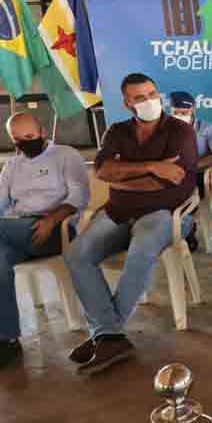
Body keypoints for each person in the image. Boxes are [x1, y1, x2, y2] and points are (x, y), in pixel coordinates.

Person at [64, 73, 198, 375]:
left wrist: (123, 178)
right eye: (140, 97)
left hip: (165, 213)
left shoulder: (180, 131)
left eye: (152, 93)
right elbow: (103, 170)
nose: (149, 100)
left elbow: (170, 182)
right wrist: (151, 167)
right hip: (117, 212)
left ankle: (106, 334)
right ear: (127, 103)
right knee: (76, 255)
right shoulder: (118, 131)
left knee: (141, 250)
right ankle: (108, 334)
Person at [0, 113, 89, 369]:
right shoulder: (12, 166)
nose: (23, 143)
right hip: (16, 230)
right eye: (17, 139)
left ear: (41, 130)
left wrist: (52, 220)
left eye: (29, 137)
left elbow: (79, 196)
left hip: (54, 230)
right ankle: (7, 339)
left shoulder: (65, 155)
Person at [170, 91, 212, 251]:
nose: (180, 116)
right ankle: (171, 231)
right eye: (176, 113)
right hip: (171, 174)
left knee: (183, 196)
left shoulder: (208, 129)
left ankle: (186, 230)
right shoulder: (165, 129)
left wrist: (191, 167)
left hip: (197, 174)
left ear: (193, 109)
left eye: (184, 112)